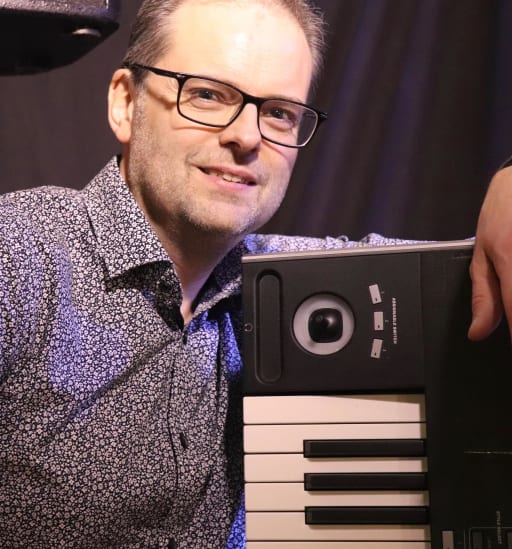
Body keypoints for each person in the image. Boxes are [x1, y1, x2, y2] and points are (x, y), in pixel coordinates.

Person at [0, 0, 510, 547]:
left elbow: (482, 265)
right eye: (208, 95)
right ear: (126, 103)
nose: (246, 137)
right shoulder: (19, 255)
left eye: (279, 113)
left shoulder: (307, 284)